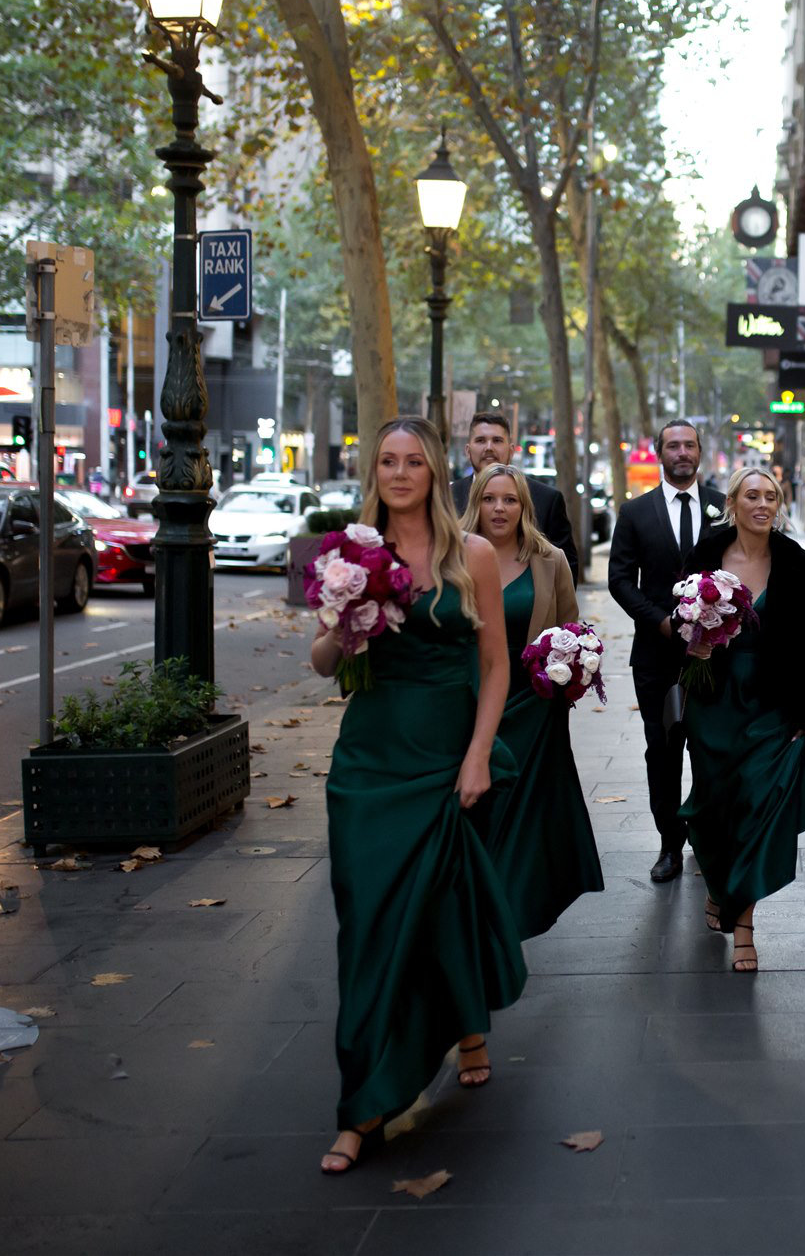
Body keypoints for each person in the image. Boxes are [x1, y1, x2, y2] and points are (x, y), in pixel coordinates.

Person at [310, 416, 525, 1174]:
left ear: (435, 470)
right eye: (387, 461)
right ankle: (368, 1089)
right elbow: (321, 660)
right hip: (367, 763)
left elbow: (496, 666)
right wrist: (344, 616)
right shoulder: (350, 549)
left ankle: (390, 1086)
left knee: (438, 908)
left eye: (413, 461)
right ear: (374, 471)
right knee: (367, 924)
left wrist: (477, 757)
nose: (399, 473)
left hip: (441, 757)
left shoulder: (471, 555)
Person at [679, 465, 805, 972]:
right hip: (714, 702)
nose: (762, 504)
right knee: (712, 806)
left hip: (773, 705)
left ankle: (743, 923)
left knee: (756, 809)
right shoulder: (706, 554)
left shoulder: (796, 563)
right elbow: (682, 621)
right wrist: (695, 640)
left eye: (771, 496)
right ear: (734, 503)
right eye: (752, 495)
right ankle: (720, 884)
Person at [461, 462, 604, 939]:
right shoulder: (451, 557)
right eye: (489, 498)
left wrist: (572, 668)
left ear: (524, 506)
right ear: (475, 502)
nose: (499, 508)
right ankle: (474, 911)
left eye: (510, 499)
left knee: (520, 820)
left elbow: (570, 628)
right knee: (475, 812)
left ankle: (505, 918)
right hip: (467, 706)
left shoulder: (550, 560)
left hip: (533, 711)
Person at [605, 419, 725, 883]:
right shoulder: (635, 512)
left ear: (699, 452)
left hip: (714, 656)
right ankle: (669, 845)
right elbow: (619, 579)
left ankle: (707, 834)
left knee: (710, 748)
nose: (681, 452)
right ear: (659, 452)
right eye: (673, 445)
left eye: (689, 445)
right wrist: (659, 620)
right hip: (655, 657)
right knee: (663, 753)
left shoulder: (721, 507)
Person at [449, 410, 580, 574]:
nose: (489, 447)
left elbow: (566, 572)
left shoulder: (547, 500)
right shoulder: (446, 497)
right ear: (468, 450)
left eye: (497, 440)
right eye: (481, 440)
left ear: (511, 450)